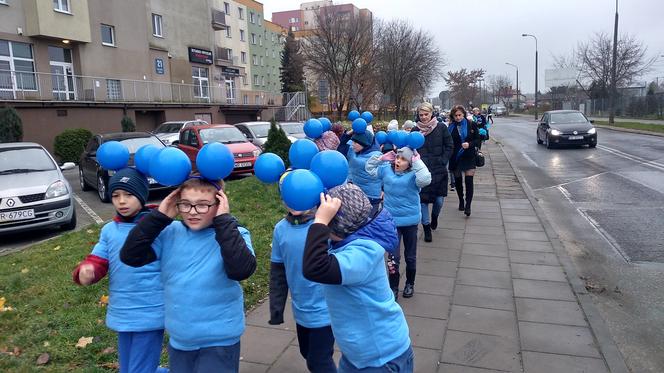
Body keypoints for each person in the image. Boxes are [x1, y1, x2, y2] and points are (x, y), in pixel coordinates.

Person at [120, 177, 257, 373]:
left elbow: (241, 270)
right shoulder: (169, 234)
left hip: (220, 340)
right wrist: (159, 216)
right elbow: (130, 255)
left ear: (219, 204)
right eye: (185, 204)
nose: (192, 212)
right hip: (180, 340)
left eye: (202, 205)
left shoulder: (235, 234)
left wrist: (224, 222)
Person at [303, 184, 414, 373]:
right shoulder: (349, 241)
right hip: (359, 354)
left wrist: (320, 221)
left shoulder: (363, 253)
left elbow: (315, 267)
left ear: (336, 226)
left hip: (381, 357)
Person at [72, 168, 166, 373]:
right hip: (123, 310)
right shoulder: (109, 231)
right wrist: (88, 271)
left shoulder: (159, 228)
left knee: (139, 369)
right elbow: (98, 259)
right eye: (115, 195)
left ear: (142, 195)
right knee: (127, 368)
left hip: (151, 310)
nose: (121, 201)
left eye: (129, 195)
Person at [269, 205, 337, 372]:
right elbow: (278, 271)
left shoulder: (325, 226)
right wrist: (276, 308)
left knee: (319, 361)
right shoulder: (280, 229)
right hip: (301, 310)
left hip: (326, 310)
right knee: (307, 353)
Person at [366, 147, 431, 299]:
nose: (398, 161)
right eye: (397, 158)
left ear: (410, 163)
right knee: (393, 257)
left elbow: (426, 179)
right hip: (391, 221)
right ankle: (393, 287)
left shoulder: (415, 176)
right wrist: (380, 158)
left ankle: (410, 283)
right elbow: (369, 169)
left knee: (410, 255)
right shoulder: (386, 171)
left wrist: (417, 161)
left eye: (403, 159)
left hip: (410, 222)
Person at [412, 102, 453, 242]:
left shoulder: (441, 127)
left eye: (426, 114)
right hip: (422, 172)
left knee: (439, 201)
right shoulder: (414, 130)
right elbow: (410, 149)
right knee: (423, 202)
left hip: (439, 170)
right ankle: (426, 227)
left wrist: (443, 160)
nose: (423, 117)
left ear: (431, 113)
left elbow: (449, 145)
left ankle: (435, 216)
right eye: (421, 115)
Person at [448, 105, 481, 217]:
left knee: (469, 181)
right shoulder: (450, 127)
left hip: (468, 156)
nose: (458, 117)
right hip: (455, 157)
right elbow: (448, 142)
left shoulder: (471, 124)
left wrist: (469, 144)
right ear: (453, 116)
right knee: (458, 181)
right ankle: (461, 200)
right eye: (455, 115)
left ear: (464, 114)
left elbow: (478, 140)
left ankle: (468, 205)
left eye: (460, 115)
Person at [337, 130, 383, 205]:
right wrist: (347, 134)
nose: (352, 145)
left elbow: (385, 173)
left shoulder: (377, 156)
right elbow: (340, 150)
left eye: (355, 143)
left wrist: (383, 189)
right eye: (352, 142)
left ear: (364, 144)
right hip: (356, 194)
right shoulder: (354, 151)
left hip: (371, 196)